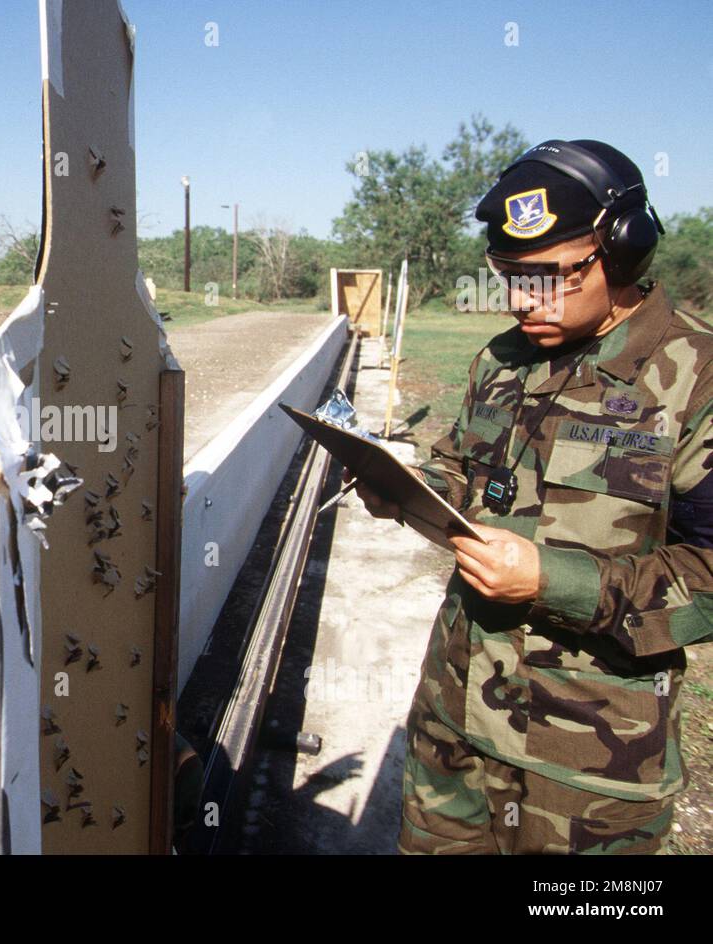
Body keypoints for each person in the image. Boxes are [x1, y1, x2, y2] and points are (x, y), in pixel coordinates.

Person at [355, 140, 713, 854]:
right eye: (508, 277)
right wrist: (407, 487)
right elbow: (462, 469)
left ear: (624, 251)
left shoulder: (695, 378)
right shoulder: (502, 360)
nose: (522, 301)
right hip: (453, 726)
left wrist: (554, 581)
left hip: (588, 769)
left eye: (549, 277)